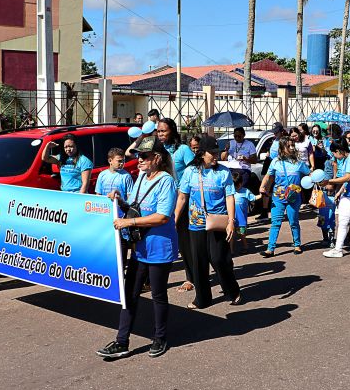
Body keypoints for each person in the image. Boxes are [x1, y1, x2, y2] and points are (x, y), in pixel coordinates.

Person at [96, 137, 177, 359]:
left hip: (160, 247)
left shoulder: (167, 181)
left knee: (158, 295)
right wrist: (119, 200)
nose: (139, 159)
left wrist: (129, 222)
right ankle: (122, 341)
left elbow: (162, 217)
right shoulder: (141, 177)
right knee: (129, 294)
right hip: (140, 247)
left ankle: (160, 338)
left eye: (144, 156)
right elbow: (134, 208)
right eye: (138, 155)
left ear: (157, 158)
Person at [176, 135, 241, 309]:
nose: (216, 156)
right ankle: (202, 299)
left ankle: (232, 290)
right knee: (199, 262)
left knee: (219, 259)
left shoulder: (223, 172)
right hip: (196, 223)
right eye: (212, 153)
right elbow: (182, 197)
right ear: (202, 153)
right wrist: (174, 219)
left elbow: (229, 197)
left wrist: (231, 222)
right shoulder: (190, 172)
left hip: (218, 222)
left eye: (217, 152)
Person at [156, 118, 196, 293]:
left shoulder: (183, 150)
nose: (160, 134)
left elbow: (194, 170)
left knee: (183, 240)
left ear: (172, 131)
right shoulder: (158, 150)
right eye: (158, 131)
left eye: (163, 131)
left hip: (182, 199)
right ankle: (152, 279)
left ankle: (190, 278)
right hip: (162, 199)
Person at [259, 137, 310, 256]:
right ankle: (270, 249)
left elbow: (309, 174)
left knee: (293, 222)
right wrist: (262, 187)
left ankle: (297, 245)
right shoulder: (275, 162)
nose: (292, 148)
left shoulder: (299, 163)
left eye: (293, 145)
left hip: (293, 198)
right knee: (275, 223)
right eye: (289, 146)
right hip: (278, 198)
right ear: (282, 148)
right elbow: (268, 176)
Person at [232, 171, 259, 254]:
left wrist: (261, 195)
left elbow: (253, 198)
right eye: (234, 186)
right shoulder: (230, 191)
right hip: (231, 218)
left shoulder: (246, 191)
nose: (236, 188)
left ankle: (245, 246)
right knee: (232, 234)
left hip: (241, 219)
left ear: (241, 183)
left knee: (242, 234)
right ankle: (231, 250)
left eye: (237, 185)